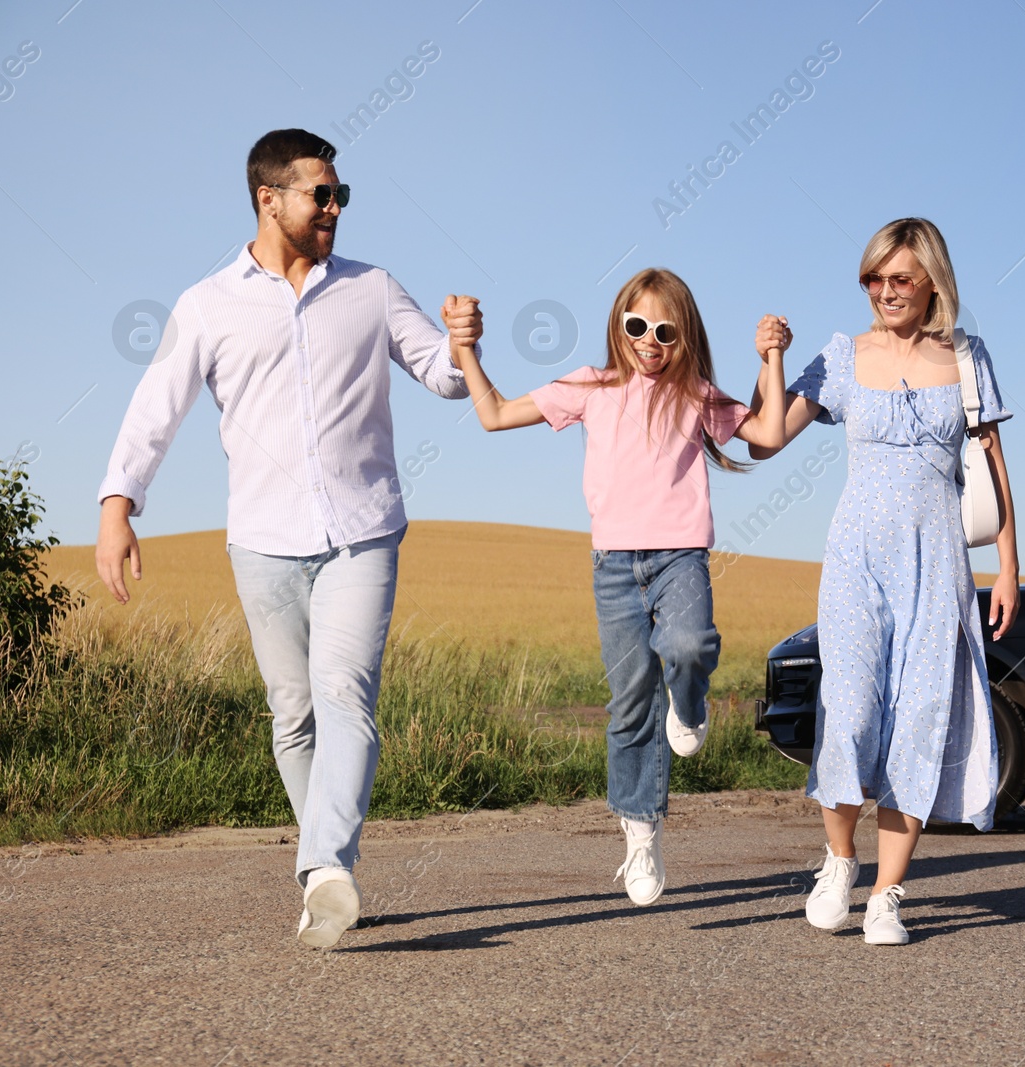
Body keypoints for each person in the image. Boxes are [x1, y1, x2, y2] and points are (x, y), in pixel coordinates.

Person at [94, 129, 477, 949]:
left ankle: (330, 865)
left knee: (344, 694)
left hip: (362, 528)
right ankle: (323, 874)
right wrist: (118, 502)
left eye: (340, 195)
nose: (335, 207)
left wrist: (464, 345)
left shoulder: (371, 288)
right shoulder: (206, 302)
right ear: (270, 199)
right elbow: (156, 402)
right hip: (263, 539)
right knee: (293, 713)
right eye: (321, 195)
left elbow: (441, 376)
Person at [442, 268, 787, 904]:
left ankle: (690, 704)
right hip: (614, 568)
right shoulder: (589, 387)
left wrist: (771, 359)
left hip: (680, 557)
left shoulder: (695, 394)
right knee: (629, 704)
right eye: (637, 326)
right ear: (617, 326)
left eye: (665, 330)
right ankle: (641, 834)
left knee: (688, 646)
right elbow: (492, 415)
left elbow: (766, 437)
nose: (649, 340)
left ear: (684, 336)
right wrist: (464, 347)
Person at [749, 217, 1020, 945]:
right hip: (857, 557)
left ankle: (887, 894)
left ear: (932, 279)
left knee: (923, 718)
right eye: (874, 278)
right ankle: (838, 861)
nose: (885, 291)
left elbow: (993, 463)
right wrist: (771, 359)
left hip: (940, 560)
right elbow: (767, 436)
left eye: (900, 278)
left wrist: (1008, 567)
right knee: (851, 710)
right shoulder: (842, 355)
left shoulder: (967, 357)